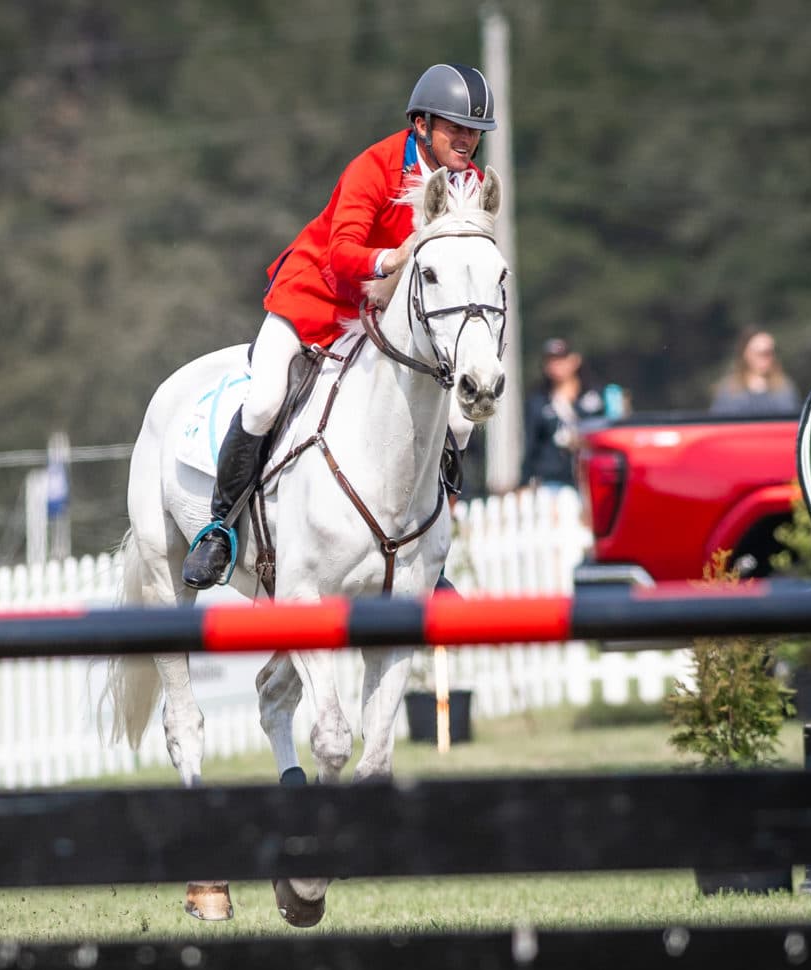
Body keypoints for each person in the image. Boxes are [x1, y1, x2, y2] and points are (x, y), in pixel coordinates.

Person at [182, 63, 498, 589]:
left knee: (459, 422)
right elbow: (344, 252)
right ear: (421, 124)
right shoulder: (373, 168)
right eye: (455, 127)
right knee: (263, 401)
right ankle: (219, 528)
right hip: (318, 297)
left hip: (385, 318)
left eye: (474, 132)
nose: (467, 140)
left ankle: (426, 555)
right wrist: (395, 260)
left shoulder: (472, 183)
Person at [519, 338, 605, 491]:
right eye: (551, 361)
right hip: (552, 481)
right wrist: (524, 481)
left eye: (561, 360)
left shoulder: (595, 396)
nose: (556, 366)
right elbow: (530, 444)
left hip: (591, 477)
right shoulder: (537, 401)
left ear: (574, 360)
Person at [710, 326, 801, 416]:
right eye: (760, 354)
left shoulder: (784, 388)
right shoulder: (729, 390)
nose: (765, 359)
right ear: (745, 354)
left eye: (769, 353)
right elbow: (719, 423)